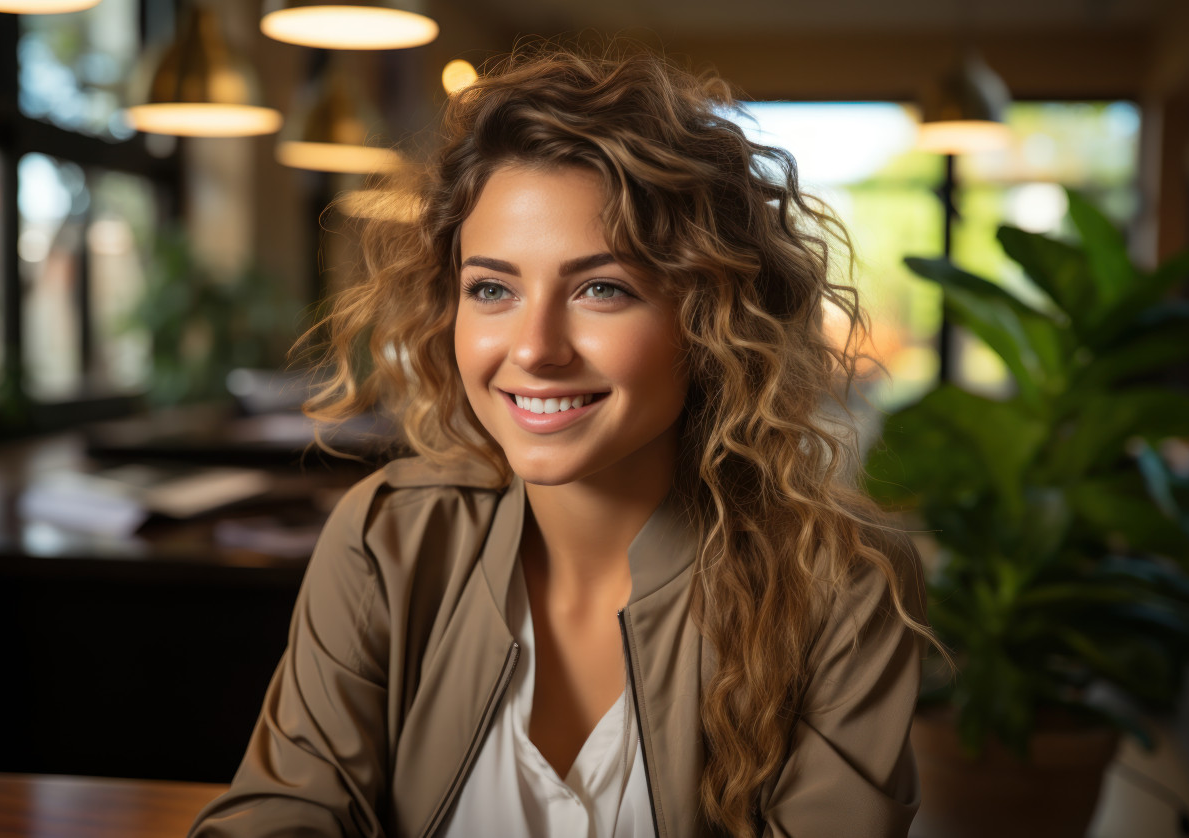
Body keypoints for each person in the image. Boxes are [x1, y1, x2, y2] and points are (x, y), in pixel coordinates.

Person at [189, 42, 933, 838]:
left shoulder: (841, 588)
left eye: (601, 288)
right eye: (493, 288)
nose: (535, 347)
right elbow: (282, 814)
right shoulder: (387, 540)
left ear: (709, 322)